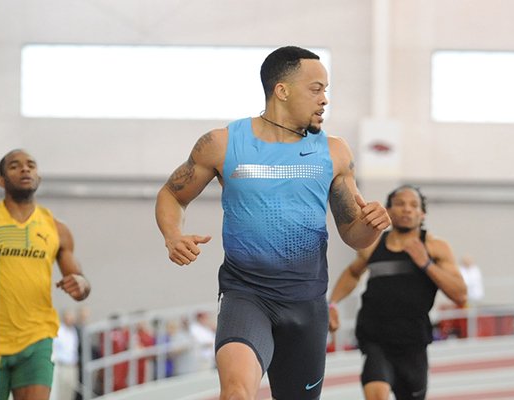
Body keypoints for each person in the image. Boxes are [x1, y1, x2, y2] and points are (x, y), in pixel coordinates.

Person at [155, 45, 391, 400]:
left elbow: (353, 235)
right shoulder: (222, 143)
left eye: (326, 90)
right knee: (236, 392)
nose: (324, 99)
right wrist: (172, 235)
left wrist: (372, 224)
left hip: (307, 303)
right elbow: (173, 195)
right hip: (246, 295)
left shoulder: (335, 152)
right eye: (316, 89)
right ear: (282, 90)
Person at [0, 149, 91, 400]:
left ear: (38, 178)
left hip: (37, 338)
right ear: (1, 180)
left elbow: (80, 280)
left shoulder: (57, 229)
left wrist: (81, 284)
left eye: (31, 165)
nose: (25, 169)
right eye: (15, 166)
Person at [328, 185, 467, 400]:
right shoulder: (373, 245)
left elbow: (460, 294)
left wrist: (426, 264)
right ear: (389, 211)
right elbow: (353, 274)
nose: (407, 209)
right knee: (376, 394)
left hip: (413, 344)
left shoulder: (435, 247)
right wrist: (332, 304)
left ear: (422, 214)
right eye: (400, 204)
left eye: (413, 205)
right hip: (376, 339)